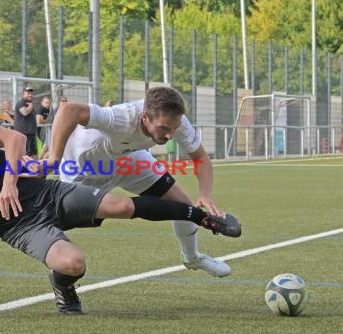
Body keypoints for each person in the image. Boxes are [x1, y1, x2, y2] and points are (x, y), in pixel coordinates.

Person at [0, 118, 241, 321]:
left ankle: (203, 217)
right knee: (74, 262)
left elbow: (14, 137)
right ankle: (64, 286)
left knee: (121, 207)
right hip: (19, 227)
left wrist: (10, 181)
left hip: (46, 193)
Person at [42, 86, 239, 278]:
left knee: (183, 206)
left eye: (174, 128)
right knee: (53, 222)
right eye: (164, 128)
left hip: (128, 159)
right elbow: (68, 110)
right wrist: (54, 159)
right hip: (84, 169)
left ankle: (192, 257)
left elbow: (201, 158)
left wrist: (205, 194)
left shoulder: (175, 122)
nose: (171, 135)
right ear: (145, 117)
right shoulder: (121, 117)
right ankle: (59, 273)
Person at [13, 87, 38, 158]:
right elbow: (24, 112)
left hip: (31, 134)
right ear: (23, 94)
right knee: (23, 155)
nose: (30, 95)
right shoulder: (21, 103)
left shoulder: (30, 104)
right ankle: (22, 169)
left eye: (31, 93)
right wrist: (31, 106)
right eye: (28, 93)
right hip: (23, 135)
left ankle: (34, 168)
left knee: (33, 154)